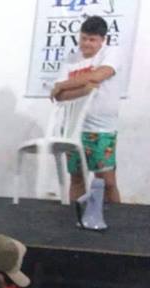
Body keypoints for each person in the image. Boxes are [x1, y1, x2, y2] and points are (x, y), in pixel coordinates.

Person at [50, 15, 123, 203]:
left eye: (92, 39)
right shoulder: (71, 59)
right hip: (73, 128)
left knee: (107, 181)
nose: (86, 43)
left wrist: (63, 85)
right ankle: (75, 217)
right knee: (77, 178)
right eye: (83, 38)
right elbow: (59, 96)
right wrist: (84, 89)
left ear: (102, 40)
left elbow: (98, 75)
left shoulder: (111, 52)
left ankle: (118, 217)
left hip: (102, 129)